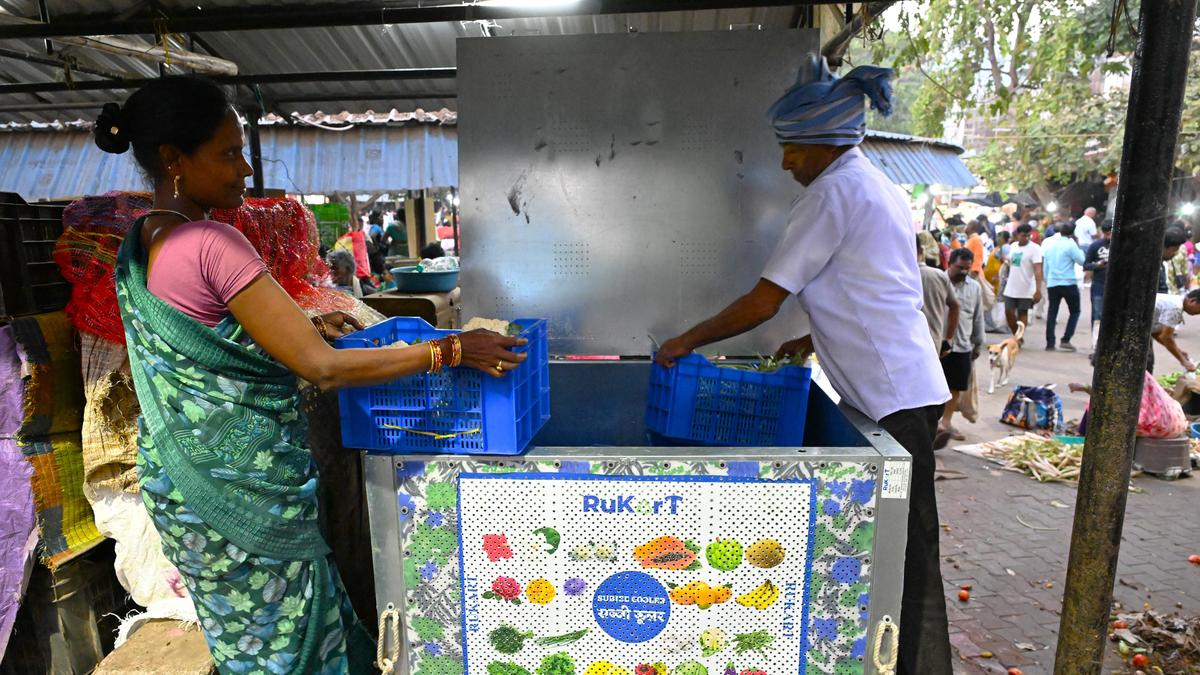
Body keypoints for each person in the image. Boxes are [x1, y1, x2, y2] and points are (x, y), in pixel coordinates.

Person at [94, 76, 527, 674]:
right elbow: (320, 368)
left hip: (184, 489)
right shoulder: (212, 243)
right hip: (246, 491)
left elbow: (218, 341)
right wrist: (452, 350)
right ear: (173, 160)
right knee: (293, 644)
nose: (244, 170)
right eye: (227, 153)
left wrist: (308, 333)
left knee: (248, 644)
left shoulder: (140, 244)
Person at [654, 55, 952, 675]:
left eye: (794, 149)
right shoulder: (875, 184)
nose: (786, 161)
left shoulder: (832, 193)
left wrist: (687, 341)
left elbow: (765, 300)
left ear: (826, 143)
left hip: (891, 392)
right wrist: (811, 339)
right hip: (902, 383)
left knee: (910, 552)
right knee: (905, 544)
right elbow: (869, 285)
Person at [938, 249, 984, 444]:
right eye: (960, 267)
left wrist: (978, 342)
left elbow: (977, 316)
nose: (964, 272)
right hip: (937, 344)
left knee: (955, 386)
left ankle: (945, 422)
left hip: (962, 344)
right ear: (949, 263)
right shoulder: (938, 281)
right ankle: (933, 422)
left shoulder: (974, 287)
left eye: (967, 268)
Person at [1042, 222, 1085, 351]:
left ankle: (1050, 342)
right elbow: (1082, 260)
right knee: (1075, 311)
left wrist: (1048, 280)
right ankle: (1066, 339)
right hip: (1068, 282)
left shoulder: (1050, 245)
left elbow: (1046, 267)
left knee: (1052, 312)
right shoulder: (1071, 245)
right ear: (1072, 233)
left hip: (1053, 282)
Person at [917, 235, 960, 357]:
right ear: (921, 251)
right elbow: (955, 305)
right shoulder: (939, 275)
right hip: (933, 345)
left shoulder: (892, 277)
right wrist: (948, 338)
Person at [1002, 224, 1044, 338]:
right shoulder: (1013, 246)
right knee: (1008, 312)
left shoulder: (1035, 249)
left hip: (1027, 287)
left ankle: (1018, 338)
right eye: (1023, 235)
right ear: (1016, 235)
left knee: (1022, 313)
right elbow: (1010, 262)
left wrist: (1038, 290)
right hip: (1011, 286)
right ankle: (1016, 334)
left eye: (1028, 235)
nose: (1025, 238)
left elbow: (1038, 270)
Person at [1151, 289, 1200, 372]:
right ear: (1192, 301)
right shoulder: (1176, 308)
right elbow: (1166, 337)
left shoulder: (1176, 300)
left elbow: (1157, 333)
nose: (1199, 313)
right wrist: (1184, 362)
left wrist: (1179, 351)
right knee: (1146, 362)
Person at [1083, 220, 1113, 349]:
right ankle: (1096, 344)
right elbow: (1086, 265)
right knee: (1097, 314)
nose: (1109, 236)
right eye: (1106, 233)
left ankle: (1109, 343)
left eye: (1111, 233)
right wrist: (1097, 265)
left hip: (1115, 286)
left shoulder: (1121, 245)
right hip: (1098, 285)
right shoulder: (1095, 246)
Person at [1161, 226, 1189, 294]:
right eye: (1174, 250)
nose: (1174, 254)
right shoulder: (1155, 268)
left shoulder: (1163, 265)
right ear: (1164, 247)